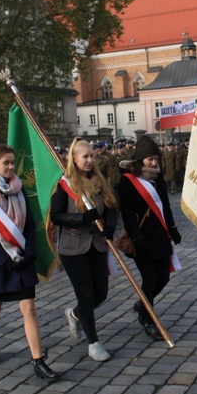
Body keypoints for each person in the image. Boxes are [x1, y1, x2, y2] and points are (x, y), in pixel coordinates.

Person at [0, 145, 60, 381]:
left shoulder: (20, 190)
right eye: (5, 163)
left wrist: (29, 253)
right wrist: (4, 259)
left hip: (21, 260)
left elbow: (29, 226)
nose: (10, 167)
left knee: (29, 308)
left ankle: (38, 361)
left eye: (12, 162)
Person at [50, 139, 118, 362]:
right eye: (85, 157)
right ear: (74, 159)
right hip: (73, 248)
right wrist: (81, 218)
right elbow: (56, 215)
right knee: (86, 295)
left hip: (97, 245)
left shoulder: (99, 180)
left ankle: (75, 314)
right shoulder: (64, 184)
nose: (90, 160)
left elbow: (110, 207)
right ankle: (94, 343)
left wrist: (109, 226)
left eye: (91, 156)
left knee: (101, 294)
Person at [118, 135, 181, 341]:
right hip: (141, 238)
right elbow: (127, 213)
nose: (154, 163)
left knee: (163, 277)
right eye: (149, 159)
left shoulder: (158, 177)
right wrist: (135, 236)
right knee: (150, 278)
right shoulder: (128, 180)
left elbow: (165, 206)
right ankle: (148, 319)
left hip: (160, 236)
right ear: (140, 159)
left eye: (156, 158)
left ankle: (142, 304)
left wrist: (172, 229)